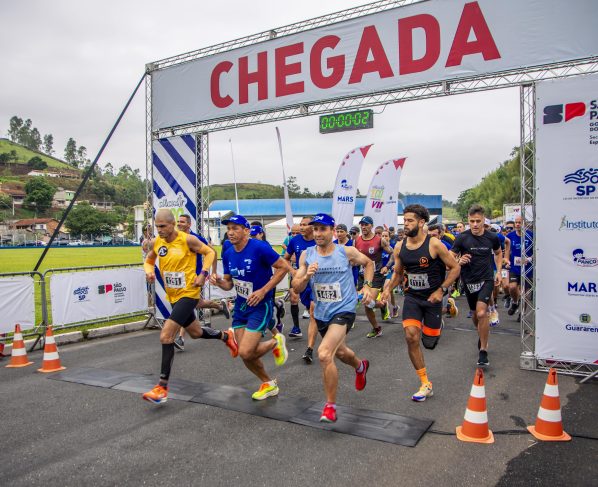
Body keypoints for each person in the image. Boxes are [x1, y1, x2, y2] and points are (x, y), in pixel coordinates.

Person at [141, 209, 238, 405]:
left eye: (163, 226)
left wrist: (203, 273)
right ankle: (226, 336)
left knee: (166, 335)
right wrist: (149, 271)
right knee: (195, 332)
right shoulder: (158, 242)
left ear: (172, 224)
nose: (159, 230)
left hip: (189, 293)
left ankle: (161, 387)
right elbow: (149, 260)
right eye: (157, 226)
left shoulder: (187, 240)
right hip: (173, 295)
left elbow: (210, 252)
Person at [292, 213, 375, 422]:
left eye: (323, 229)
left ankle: (330, 406)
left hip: (344, 309)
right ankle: (360, 366)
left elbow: (369, 263)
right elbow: (296, 286)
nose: (318, 233)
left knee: (324, 353)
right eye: (315, 229)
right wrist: (307, 276)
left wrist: (366, 286)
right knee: (341, 352)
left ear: (332, 231)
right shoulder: (307, 255)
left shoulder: (346, 252)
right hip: (322, 312)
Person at [382, 205, 460, 401]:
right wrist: (387, 290)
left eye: (410, 221)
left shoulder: (434, 244)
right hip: (412, 297)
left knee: (429, 343)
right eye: (404, 220)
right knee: (411, 336)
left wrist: (441, 290)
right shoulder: (400, 246)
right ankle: (425, 383)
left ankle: (447, 305)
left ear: (421, 222)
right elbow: (398, 273)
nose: (405, 224)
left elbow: (455, 268)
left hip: (433, 298)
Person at [210, 214, 291, 400]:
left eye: (235, 228)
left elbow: (283, 267)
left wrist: (263, 291)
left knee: (246, 351)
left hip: (260, 305)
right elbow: (229, 284)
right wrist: (219, 282)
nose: (230, 232)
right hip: (241, 306)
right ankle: (268, 383)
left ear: (246, 231)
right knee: (245, 354)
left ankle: (276, 341)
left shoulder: (259, 247)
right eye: (228, 229)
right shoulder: (228, 253)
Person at [451, 205, 502, 367]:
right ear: (468, 220)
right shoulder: (462, 238)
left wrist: (498, 271)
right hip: (469, 281)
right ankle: (482, 334)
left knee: (481, 312)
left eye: (478, 221)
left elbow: (498, 253)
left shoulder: (492, 237)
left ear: (483, 220)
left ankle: (483, 350)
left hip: (486, 279)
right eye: (472, 221)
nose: (474, 224)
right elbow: (450, 259)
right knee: (475, 315)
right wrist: (458, 261)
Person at [174, 214, 230, 352]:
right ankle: (220, 306)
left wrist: (213, 272)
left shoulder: (195, 238)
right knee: (197, 303)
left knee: (185, 305)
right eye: (178, 221)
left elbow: (212, 252)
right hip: (180, 278)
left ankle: (180, 338)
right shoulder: (175, 238)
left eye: (182, 222)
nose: (179, 224)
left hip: (195, 278)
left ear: (189, 224)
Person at [354, 216, 393, 337]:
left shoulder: (380, 240)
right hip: (362, 275)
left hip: (376, 275)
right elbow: (354, 257)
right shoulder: (357, 241)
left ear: (371, 225)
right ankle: (382, 306)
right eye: (362, 224)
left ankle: (376, 328)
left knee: (367, 302)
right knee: (366, 301)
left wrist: (387, 266)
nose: (363, 227)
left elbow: (393, 254)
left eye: (366, 224)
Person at [284, 216, 316, 343]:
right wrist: (293, 271)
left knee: (312, 307)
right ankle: (296, 327)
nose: (302, 227)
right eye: (301, 224)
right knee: (296, 299)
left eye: (304, 225)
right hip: (300, 277)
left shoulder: (318, 240)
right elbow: (286, 258)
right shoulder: (295, 241)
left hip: (316, 278)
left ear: (312, 227)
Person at [505, 215, 533, 320]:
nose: (517, 224)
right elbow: (507, 250)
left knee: (525, 294)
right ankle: (515, 302)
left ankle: (523, 313)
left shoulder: (531, 235)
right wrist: (506, 260)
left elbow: (537, 250)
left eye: (519, 222)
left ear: (525, 224)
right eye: (516, 222)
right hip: (514, 267)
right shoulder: (510, 235)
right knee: (512, 287)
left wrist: (530, 259)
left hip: (527, 268)